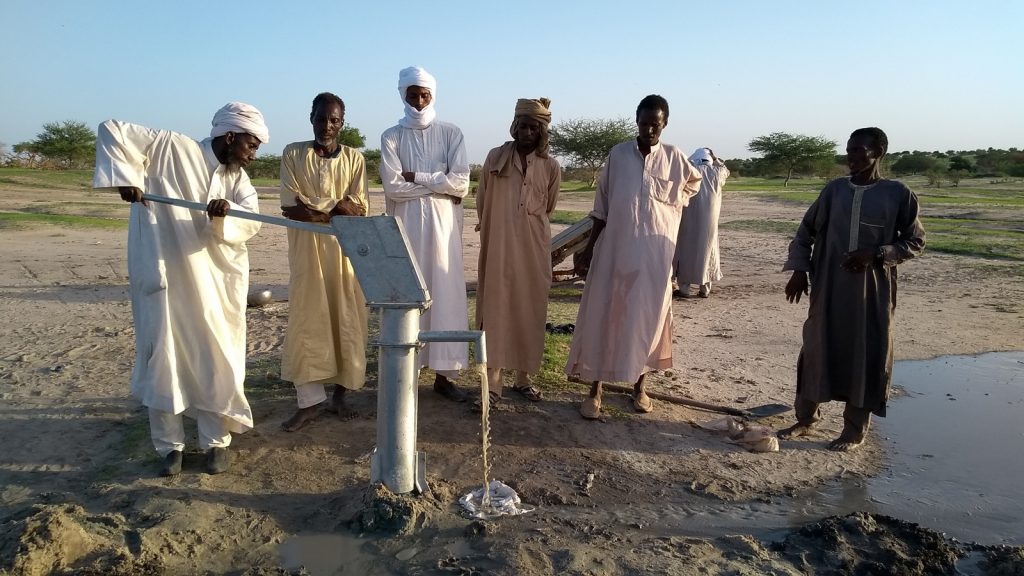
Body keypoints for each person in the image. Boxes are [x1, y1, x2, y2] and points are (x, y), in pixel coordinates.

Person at [93, 102, 269, 475]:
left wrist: (227, 215)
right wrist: (128, 177)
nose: (253, 155)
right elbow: (113, 128)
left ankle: (216, 442)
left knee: (216, 357)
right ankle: (169, 447)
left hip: (213, 286)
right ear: (231, 136)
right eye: (251, 145)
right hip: (165, 276)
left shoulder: (235, 179)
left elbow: (250, 218)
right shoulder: (170, 146)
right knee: (164, 359)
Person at [778, 127, 925, 451]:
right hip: (828, 288)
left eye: (860, 151)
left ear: (878, 153)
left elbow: (915, 241)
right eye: (849, 150)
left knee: (865, 352)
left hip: (870, 294)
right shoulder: (834, 192)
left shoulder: (898, 194)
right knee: (817, 348)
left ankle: (854, 430)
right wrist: (799, 270)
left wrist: (876, 255)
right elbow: (805, 233)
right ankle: (805, 419)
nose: (852, 157)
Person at [565, 95, 702, 419]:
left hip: (655, 257)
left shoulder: (675, 158)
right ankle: (595, 391)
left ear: (664, 124)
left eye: (656, 124)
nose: (649, 129)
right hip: (615, 251)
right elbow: (601, 208)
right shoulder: (618, 156)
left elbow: (693, 184)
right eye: (644, 123)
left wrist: (674, 205)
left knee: (648, 320)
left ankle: (640, 388)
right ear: (636, 121)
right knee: (605, 316)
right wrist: (587, 249)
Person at [278, 92, 369, 432]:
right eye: (321, 118)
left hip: (344, 255)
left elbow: (358, 209)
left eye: (334, 120)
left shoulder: (355, 159)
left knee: (346, 319)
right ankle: (309, 402)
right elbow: (291, 206)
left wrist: (315, 208)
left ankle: (341, 395)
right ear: (311, 116)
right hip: (306, 251)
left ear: (342, 123)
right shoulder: (292, 153)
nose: (327, 125)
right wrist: (333, 209)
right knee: (308, 320)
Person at [380, 66, 471, 402]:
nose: (418, 101)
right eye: (412, 94)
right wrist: (438, 185)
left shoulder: (451, 132)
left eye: (424, 94)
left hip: (444, 230)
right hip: (407, 228)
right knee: (411, 295)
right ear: (402, 94)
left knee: (445, 294)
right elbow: (393, 185)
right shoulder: (391, 136)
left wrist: (416, 175)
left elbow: (461, 183)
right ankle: (407, 376)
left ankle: (446, 376)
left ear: (433, 95)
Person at [476, 98, 561, 404]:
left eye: (532, 128)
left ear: (542, 132)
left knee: (530, 309)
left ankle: (523, 379)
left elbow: (548, 207)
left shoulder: (551, 167)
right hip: (498, 246)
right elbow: (483, 200)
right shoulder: (495, 157)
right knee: (496, 310)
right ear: (514, 126)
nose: (525, 133)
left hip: (533, 249)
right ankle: (494, 385)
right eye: (521, 126)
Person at [673, 147, 729, 298]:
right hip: (710, 220)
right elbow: (724, 168)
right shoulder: (717, 172)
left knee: (685, 250)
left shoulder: (689, 169)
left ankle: (684, 289)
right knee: (708, 250)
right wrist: (715, 156)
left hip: (688, 216)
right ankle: (705, 289)